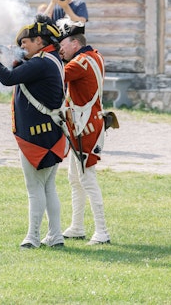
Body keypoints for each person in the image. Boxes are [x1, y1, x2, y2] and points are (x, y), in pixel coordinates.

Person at [0, 15, 67, 249]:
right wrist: (12, 56)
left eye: (26, 41)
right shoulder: (49, 59)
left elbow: (8, 79)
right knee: (47, 187)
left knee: (35, 189)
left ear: (40, 41)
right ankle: (55, 235)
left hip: (36, 137)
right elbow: (22, 74)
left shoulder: (42, 62)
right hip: (49, 134)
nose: (22, 45)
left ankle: (33, 237)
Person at [57, 18, 110, 245]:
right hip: (86, 123)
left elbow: (55, 76)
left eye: (63, 44)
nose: (61, 49)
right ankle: (77, 226)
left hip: (85, 127)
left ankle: (102, 232)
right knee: (74, 178)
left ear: (75, 44)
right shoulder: (94, 56)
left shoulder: (79, 63)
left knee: (87, 179)